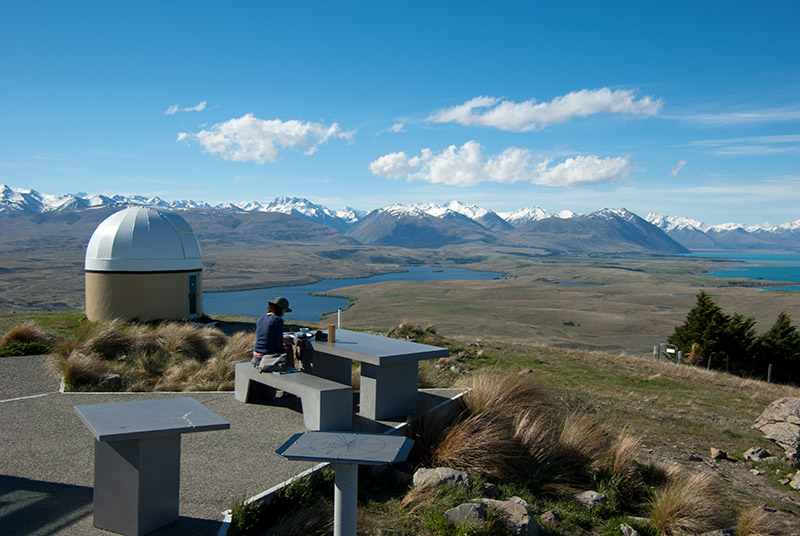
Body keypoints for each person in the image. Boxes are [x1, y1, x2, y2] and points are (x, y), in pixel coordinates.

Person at [252, 297, 292, 367]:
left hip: (256, 355)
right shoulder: (277, 320)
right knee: (288, 348)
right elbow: (278, 341)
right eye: (284, 311)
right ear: (280, 309)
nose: (283, 314)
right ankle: (291, 370)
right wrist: (282, 354)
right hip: (267, 357)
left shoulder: (262, 317)